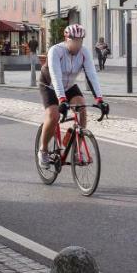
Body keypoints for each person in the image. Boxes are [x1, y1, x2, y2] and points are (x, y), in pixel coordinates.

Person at [38, 24, 108, 169]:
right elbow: (56, 77)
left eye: (80, 41)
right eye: (75, 41)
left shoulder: (84, 53)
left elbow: (92, 75)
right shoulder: (55, 51)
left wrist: (99, 99)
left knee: (82, 109)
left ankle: (76, 149)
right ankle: (43, 150)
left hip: (69, 86)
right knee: (53, 115)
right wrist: (62, 100)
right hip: (50, 85)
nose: (78, 44)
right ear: (66, 39)